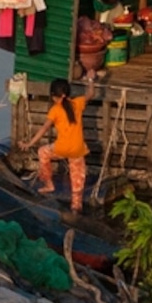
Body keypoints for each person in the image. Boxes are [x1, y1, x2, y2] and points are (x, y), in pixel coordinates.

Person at [35, 81, 90, 210]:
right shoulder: (77, 103)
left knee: (42, 152)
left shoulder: (55, 110)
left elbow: (44, 128)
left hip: (61, 149)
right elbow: (91, 93)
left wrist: (30, 143)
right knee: (77, 181)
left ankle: (49, 184)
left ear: (54, 96)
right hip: (77, 150)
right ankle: (76, 206)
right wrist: (91, 80)